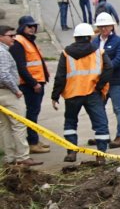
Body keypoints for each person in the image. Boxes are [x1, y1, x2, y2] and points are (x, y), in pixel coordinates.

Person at [50, 23, 111, 163]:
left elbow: (60, 76)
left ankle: (71, 152)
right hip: (93, 93)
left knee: (70, 123)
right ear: (89, 37)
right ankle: (101, 155)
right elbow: (109, 68)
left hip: (72, 94)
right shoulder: (98, 52)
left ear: (75, 37)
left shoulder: (66, 53)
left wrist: (55, 95)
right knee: (101, 124)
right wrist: (99, 86)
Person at [0, 25, 41, 167]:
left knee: (5, 126)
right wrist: (16, 90)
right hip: (8, 93)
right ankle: (23, 157)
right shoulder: (2, 52)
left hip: (2, 93)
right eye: (10, 36)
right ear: (1, 37)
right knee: (19, 125)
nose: (14, 38)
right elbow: (4, 75)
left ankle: (10, 157)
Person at [9, 16, 50, 154]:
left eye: (34, 26)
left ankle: (34, 139)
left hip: (36, 82)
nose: (32, 28)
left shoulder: (28, 40)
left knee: (34, 113)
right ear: (22, 27)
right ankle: (32, 142)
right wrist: (34, 83)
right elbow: (21, 67)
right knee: (31, 114)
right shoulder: (19, 42)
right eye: (29, 26)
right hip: (30, 85)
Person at [93, 13, 120, 148]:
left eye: (106, 26)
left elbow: (119, 59)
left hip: (114, 81)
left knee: (118, 108)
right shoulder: (95, 42)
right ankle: (103, 134)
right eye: (101, 26)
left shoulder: (119, 41)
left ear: (111, 27)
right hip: (100, 82)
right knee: (99, 108)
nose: (103, 29)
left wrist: (105, 69)